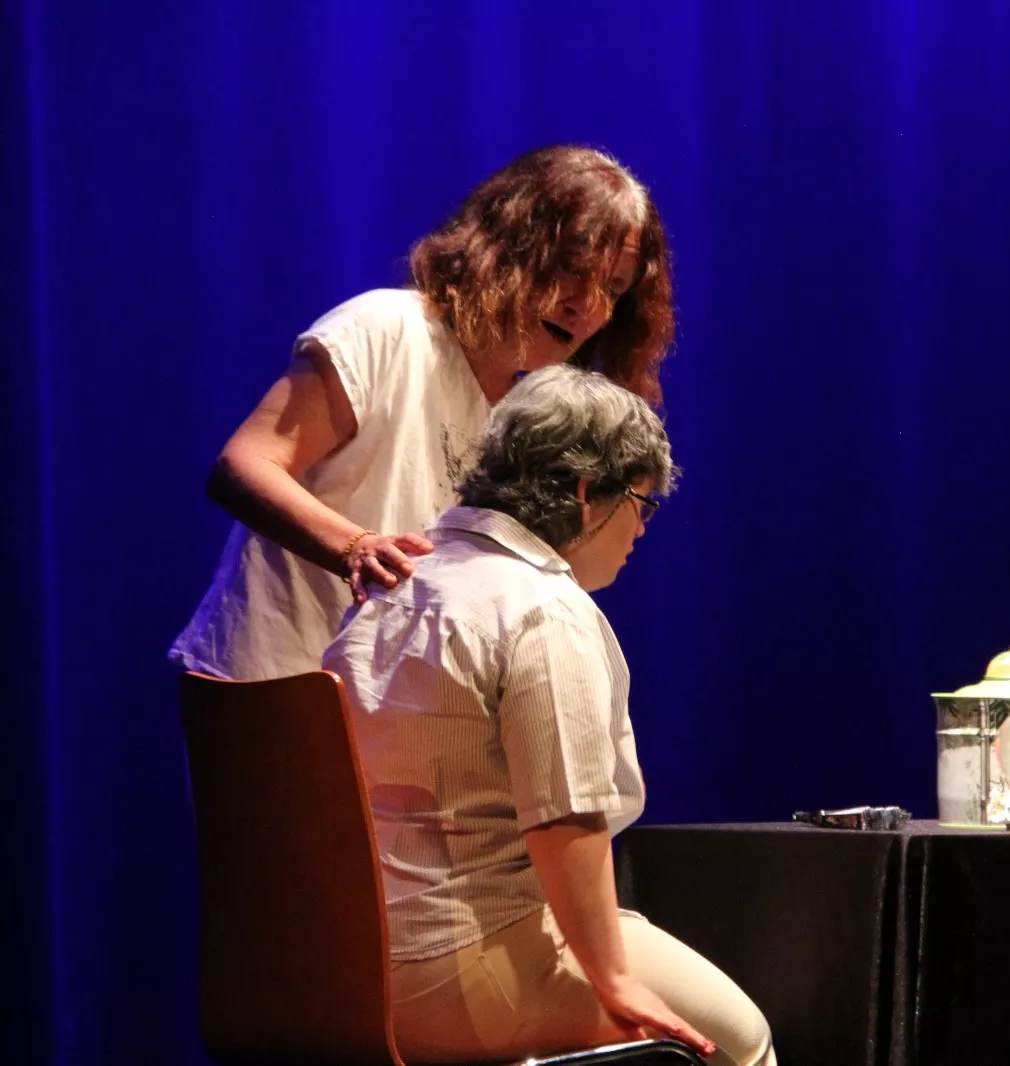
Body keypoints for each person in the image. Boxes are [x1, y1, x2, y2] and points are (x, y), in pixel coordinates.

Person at [323, 365, 774, 1066]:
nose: (643, 529)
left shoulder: (393, 588)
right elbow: (563, 820)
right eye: (642, 503)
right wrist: (612, 979)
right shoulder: (541, 609)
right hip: (459, 963)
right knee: (740, 1042)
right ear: (588, 493)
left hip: (345, 969)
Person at [171, 145, 673, 681]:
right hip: (275, 684)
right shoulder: (389, 329)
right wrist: (355, 547)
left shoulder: (526, 418)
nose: (587, 306)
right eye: (573, 268)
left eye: (613, 289)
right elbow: (244, 465)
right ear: (512, 242)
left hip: (385, 709)